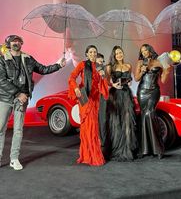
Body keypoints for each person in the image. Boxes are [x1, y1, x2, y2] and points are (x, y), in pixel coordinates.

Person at [0, 35, 66, 170]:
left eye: (18, 41)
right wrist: (18, 94)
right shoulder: (2, 59)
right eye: (13, 41)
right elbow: (1, 80)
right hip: (5, 99)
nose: (16, 43)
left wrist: (58, 65)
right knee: (0, 129)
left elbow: (43, 69)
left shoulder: (28, 59)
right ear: (8, 44)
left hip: (22, 101)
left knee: (18, 130)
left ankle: (14, 159)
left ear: (21, 43)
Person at [68, 45, 108, 166]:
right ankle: (87, 155)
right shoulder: (82, 64)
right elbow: (72, 77)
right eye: (90, 52)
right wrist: (75, 89)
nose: (93, 54)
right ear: (87, 54)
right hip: (84, 99)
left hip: (95, 100)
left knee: (93, 127)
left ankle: (92, 154)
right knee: (86, 127)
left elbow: (103, 85)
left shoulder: (100, 66)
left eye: (95, 52)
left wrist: (103, 76)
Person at [134, 44, 171, 159]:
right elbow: (136, 78)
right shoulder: (140, 63)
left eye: (146, 50)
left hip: (154, 91)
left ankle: (157, 148)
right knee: (144, 116)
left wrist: (167, 71)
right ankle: (144, 149)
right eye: (142, 51)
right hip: (142, 92)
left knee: (150, 114)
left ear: (150, 50)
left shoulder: (159, 62)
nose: (144, 52)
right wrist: (142, 71)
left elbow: (163, 80)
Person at [105, 45, 137, 161]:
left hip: (127, 95)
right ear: (114, 55)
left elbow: (130, 79)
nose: (119, 55)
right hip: (115, 95)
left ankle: (127, 150)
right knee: (116, 122)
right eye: (117, 53)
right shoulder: (110, 67)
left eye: (120, 52)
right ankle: (117, 149)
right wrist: (112, 84)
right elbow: (106, 81)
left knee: (127, 122)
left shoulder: (128, 65)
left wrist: (129, 82)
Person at [96, 53, 107, 150]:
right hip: (92, 98)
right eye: (98, 61)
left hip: (102, 97)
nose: (100, 63)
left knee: (102, 119)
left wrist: (103, 76)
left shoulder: (105, 70)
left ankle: (102, 142)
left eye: (102, 61)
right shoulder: (90, 69)